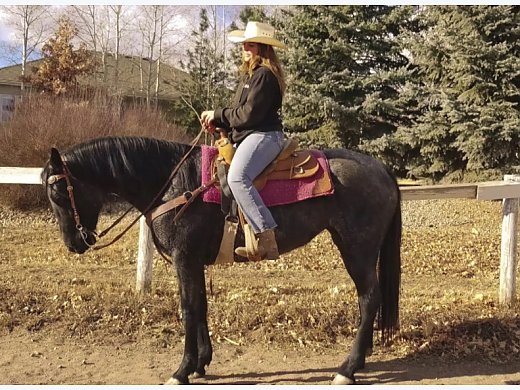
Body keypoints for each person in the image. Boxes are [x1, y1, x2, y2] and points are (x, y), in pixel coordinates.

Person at [201, 21, 286, 261]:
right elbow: (240, 115)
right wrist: (220, 123)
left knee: (237, 177)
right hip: (252, 134)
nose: (244, 48)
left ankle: (266, 236)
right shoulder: (251, 77)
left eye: (249, 44)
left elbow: (248, 115)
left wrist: (217, 114)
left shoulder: (265, 76)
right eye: (244, 44)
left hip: (265, 136)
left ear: (262, 48)